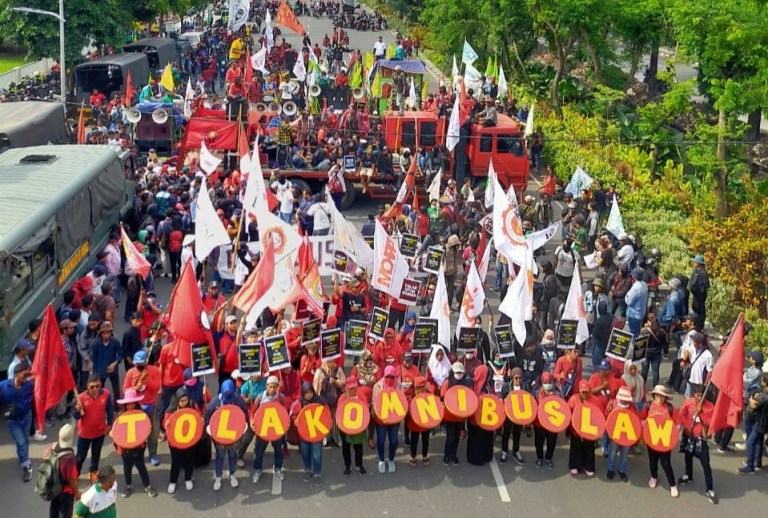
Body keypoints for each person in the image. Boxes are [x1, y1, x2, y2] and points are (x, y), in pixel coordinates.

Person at [112, 389, 158, 498]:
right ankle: (128, 486)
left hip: (138, 448)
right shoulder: (120, 416)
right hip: (125, 448)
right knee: (127, 468)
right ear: (125, 405)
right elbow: (116, 432)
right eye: (128, 404)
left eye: (132, 403)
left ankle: (148, 486)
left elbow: (146, 428)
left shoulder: (142, 414)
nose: (130, 406)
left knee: (141, 467)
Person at [205, 380, 248, 491]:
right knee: (220, 456)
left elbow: (245, 414)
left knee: (233, 455)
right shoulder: (215, 402)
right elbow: (207, 416)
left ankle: (232, 474)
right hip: (219, 437)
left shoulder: (239, 401)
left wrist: (245, 426)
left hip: (234, 436)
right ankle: (218, 477)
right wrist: (208, 428)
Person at [678, 384, 717, 503]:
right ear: (693, 394)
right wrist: (686, 426)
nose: (699, 397)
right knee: (687, 456)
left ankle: (709, 488)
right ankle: (688, 475)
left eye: (701, 395)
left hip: (701, 439)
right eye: (697, 395)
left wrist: (701, 415)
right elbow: (682, 414)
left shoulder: (710, 407)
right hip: (689, 435)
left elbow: (711, 424)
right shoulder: (688, 402)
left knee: (705, 463)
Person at [122, 351, 161, 466]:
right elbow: (125, 391)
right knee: (137, 432)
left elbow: (156, 388)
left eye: (140, 363)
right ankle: (137, 455)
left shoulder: (154, 370)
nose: (138, 366)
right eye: (136, 364)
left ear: (145, 362)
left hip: (151, 405)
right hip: (136, 406)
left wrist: (147, 379)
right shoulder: (130, 373)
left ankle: (153, 453)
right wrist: (136, 387)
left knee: (153, 431)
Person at [74, 374, 115, 481]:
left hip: (99, 433)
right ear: (87, 386)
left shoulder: (106, 394)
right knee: (80, 457)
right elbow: (76, 416)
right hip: (84, 434)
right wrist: (77, 410)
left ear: (100, 384)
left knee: (95, 456)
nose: (95, 389)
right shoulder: (81, 397)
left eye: (97, 386)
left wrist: (109, 424)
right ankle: (75, 475)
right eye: (92, 387)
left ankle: (93, 473)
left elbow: (110, 410)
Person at [643, 385, 680, 497]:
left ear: (665, 397)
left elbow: (677, 424)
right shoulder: (648, 406)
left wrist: (671, 436)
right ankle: (654, 476)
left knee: (666, 463)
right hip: (652, 440)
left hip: (665, 442)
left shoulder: (670, 408)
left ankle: (672, 484)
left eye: (662, 396)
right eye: (657, 395)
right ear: (654, 395)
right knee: (652, 461)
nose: (659, 397)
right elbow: (641, 419)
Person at [0, 362, 35, 481]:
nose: (27, 377)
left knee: (25, 441)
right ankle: (27, 466)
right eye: (24, 375)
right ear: (16, 375)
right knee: (21, 442)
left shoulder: (29, 385)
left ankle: (23, 456)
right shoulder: (4, 386)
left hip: (26, 417)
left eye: (28, 374)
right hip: (13, 421)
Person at [249, 376, 286, 484]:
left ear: (278, 387)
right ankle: (257, 470)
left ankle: (278, 469)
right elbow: (252, 411)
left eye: (275, 387)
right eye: (270, 387)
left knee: (279, 451)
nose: (272, 389)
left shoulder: (281, 398)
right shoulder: (260, 398)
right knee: (259, 452)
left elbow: (284, 412)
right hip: (263, 430)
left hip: (277, 429)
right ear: (266, 386)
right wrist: (252, 421)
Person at [163, 387, 199, 493]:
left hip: (189, 440)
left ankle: (188, 478)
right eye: (182, 401)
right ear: (177, 400)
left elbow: (198, 417)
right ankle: (173, 481)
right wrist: (166, 424)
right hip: (175, 443)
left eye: (186, 400)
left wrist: (200, 419)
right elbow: (165, 424)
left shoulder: (192, 406)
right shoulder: (170, 411)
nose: (184, 403)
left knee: (189, 461)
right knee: (176, 462)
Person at [291, 382, 327, 487]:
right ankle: (307, 470)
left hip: (316, 434)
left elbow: (326, 413)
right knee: (305, 453)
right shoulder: (299, 402)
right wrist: (295, 420)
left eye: (310, 392)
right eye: (306, 393)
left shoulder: (320, 401)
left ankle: (317, 473)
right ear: (303, 393)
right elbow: (293, 415)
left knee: (317, 455)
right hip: (304, 434)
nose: (309, 395)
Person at [440, 362, 473, 465]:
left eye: (460, 372)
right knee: (450, 437)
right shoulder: (447, 383)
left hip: (460, 416)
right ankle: (446, 455)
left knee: (457, 438)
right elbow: (442, 396)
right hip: (450, 415)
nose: (459, 374)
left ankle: (453, 455)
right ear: (453, 372)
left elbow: (470, 397)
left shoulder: (466, 383)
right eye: (457, 372)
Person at [48, 423, 81, 518]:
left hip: (53, 488)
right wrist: (77, 492)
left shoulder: (52, 447)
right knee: (65, 514)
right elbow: (72, 479)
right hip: (66, 492)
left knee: (54, 509)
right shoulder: (69, 457)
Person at [372, 365, 401, 473]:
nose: (390, 379)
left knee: (393, 441)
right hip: (381, 420)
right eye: (387, 376)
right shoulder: (377, 386)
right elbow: (374, 402)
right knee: (380, 441)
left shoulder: (399, 385)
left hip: (394, 420)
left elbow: (402, 403)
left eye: (392, 377)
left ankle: (391, 459)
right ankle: (381, 460)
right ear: (384, 375)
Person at [606, 387, 636, 482]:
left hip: (627, 435)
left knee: (624, 454)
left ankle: (622, 471)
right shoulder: (612, 403)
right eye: (622, 398)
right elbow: (606, 415)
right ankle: (611, 469)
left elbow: (636, 422)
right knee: (612, 452)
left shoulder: (632, 407)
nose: (623, 400)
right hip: (615, 434)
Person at [739, 373, 768, 474]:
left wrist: (751, 399)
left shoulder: (765, 397)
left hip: (761, 422)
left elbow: (754, 405)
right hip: (761, 421)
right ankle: (757, 462)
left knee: (750, 442)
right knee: (758, 441)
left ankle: (750, 466)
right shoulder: (764, 392)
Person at [568, 380, 597, 476]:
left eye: (587, 391)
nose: (585, 394)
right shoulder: (573, 399)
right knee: (576, 448)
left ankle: (588, 466)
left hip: (590, 430)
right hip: (576, 430)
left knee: (589, 448)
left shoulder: (596, 400)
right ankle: (574, 466)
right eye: (583, 392)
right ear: (579, 391)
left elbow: (599, 416)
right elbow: (568, 412)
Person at [500, 367, 527, 465]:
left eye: (520, 378)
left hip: (519, 415)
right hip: (508, 414)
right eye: (516, 378)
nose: (518, 380)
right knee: (506, 433)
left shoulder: (525, 387)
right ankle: (504, 451)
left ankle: (516, 451)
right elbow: (501, 398)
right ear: (512, 378)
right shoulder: (506, 386)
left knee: (517, 434)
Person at [534, 372, 560, 469]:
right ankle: (539, 458)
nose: (548, 384)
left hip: (553, 423)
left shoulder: (558, 393)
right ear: (542, 382)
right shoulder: (536, 392)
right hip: (539, 423)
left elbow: (562, 407)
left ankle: (549, 458)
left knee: (551, 441)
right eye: (545, 382)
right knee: (539, 442)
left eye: (549, 382)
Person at [406, 376, 433, 468]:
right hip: (415, 423)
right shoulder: (411, 396)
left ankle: (424, 455)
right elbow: (408, 410)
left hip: (426, 423)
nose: (419, 389)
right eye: (417, 387)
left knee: (425, 440)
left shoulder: (430, 395)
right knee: (414, 440)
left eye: (421, 387)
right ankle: (413, 456)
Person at [91, 322, 123, 399]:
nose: (106, 335)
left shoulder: (115, 342)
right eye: (104, 333)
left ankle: (117, 407)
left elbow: (121, 354)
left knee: (116, 390)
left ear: (111, 333)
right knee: (100, 390)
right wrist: (95, 374)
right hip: (100, 371)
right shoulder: (95, 343)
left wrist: (115, 363)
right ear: (100, 334)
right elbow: (94, 359)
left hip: (113, 370)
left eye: (108, 333)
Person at [688, 254, 709, 331]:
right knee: (696, 311)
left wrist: (698, 291)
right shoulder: (696, 271)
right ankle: (696, 325)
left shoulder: (703, 273)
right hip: (696, 296)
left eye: (695, 262)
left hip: (700, 297)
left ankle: (699, 327)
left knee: (700, 312)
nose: (693, 263)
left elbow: (705, 286)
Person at [625, 267, 648, 337]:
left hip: (634, 315)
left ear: (634, 277)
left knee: (634, 334)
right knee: (637, 331)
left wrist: (626, 295)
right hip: (641, 312)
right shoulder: (644, 284)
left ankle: (634, 346)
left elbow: (628, 301)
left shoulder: (636, 288)